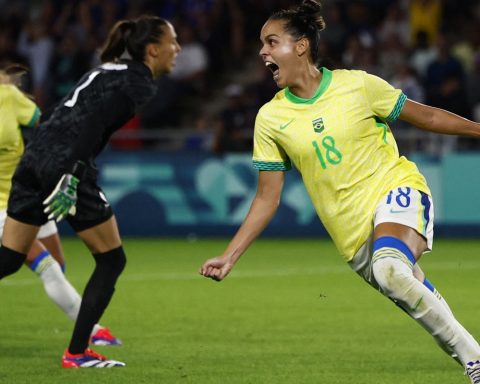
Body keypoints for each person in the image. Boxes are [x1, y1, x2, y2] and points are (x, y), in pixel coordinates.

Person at [199, 1, 480, 382]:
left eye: (271, 41)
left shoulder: (358, 85)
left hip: (395, 189)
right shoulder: (271, 118)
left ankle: (474, 363)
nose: (262, 52)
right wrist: (230, 255)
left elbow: (427, 115)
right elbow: (267, 197)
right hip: (351, 236)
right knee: (404, 284)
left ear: (300, 46)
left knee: (390, 268)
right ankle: (474, 355)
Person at [0, 15, 180, 368]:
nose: (178, 49)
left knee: (8, 258)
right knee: (112, 260)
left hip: (35, 157)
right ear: (153, 49)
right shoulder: (137, 82)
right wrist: (72, 174)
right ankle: (77, 352)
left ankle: (80, 350)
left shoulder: (108, 69)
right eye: (173, 42)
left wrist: (45, 160)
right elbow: (94, 125)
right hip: (66, 164)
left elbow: (55, 114)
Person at [0, 64, 120, 346]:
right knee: (48, 267)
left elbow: (48, 126)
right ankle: (92, 332)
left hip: (28, 192)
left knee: (59, 264)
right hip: (4, 207)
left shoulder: (8, 97)